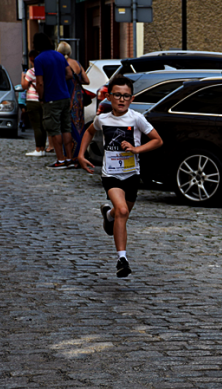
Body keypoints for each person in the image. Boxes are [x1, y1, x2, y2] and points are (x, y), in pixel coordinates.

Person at [77, 75, 163, 278]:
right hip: (111, 174)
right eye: (117, 95)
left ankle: (108, 215)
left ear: (131, 99)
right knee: (123, 211)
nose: (122, 99)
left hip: (131, 174)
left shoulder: (136, 118)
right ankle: (122, 259)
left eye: (126, 96)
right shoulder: (103, 119)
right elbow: (89, 131)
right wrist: (81, 155)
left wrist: (136, 149)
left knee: (121, 213)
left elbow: (158, 141)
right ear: (109, 96)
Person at [33, 33, 74, 169]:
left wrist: (41, 97)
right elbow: (69, 74)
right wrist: (59, 80)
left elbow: (39, 83)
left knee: (54, 129)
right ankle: (69, 158)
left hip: (51, 98)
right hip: (65, 96)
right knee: (66, 127)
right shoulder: (59, 56)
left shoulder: (39, 59)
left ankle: (60, 160)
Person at [56, 41, 90, 162]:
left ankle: (69, 155)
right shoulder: (76, 63)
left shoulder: (61, 63)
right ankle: (80, 154)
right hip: (78, 97)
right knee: (79, 126)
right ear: (69, 52)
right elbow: (87, 81)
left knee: (66, 127)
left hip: (66, 96)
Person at [22, 50, 47, 157]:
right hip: (44, 100)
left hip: (32, 100)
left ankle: (38, 149)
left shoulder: (31, 72)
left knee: (36, 126)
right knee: (43, 126)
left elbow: (24, 86)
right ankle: (43, 148)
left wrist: (23, 76)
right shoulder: (45, 71)